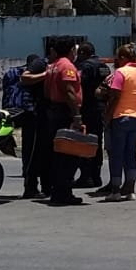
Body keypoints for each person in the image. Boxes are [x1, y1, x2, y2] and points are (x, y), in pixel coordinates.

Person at [96, 43, 136, 203]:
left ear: (123, 58)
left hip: (121, 117)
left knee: (116, 154)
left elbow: (115, 97)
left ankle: (115, 190)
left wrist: (108, 117)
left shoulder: (121, 73)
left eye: (118, 57)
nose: (116, 60)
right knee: (130, 154)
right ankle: (130, 189)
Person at [43, 37, 84, 206]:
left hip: (53, 111)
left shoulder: (52, 66)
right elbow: (69, 91)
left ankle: (57, 190)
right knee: (69, 154)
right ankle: (64, 191)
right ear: (70, 50)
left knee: (58, 153)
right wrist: (76, 115)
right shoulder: (66, 66)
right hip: (65, 113)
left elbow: (46, 91)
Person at [6, 54, 51, 199]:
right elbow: (25, 79)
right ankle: (31, 187)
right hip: (33, 117)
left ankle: (43, 186)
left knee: (37, 152)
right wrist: (46, 74)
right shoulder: (39, 70)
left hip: (34, 117)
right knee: (32, 153)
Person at [75, 42, 112, 189]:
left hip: (87, 109)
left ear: (83, 53)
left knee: (85, 143)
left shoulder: (85, 67)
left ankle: (86, 177)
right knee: (97, 143)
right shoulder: (104, 67)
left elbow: (79, 87)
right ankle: (96, 176)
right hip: (101, 109)